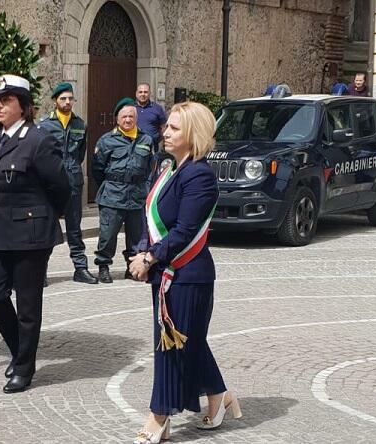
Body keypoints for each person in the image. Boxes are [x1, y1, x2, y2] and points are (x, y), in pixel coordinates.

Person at [129, 102, 241, 444]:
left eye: (174, 128)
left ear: (193, 134)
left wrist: (149, 258)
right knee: (186, 342)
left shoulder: (200, 175)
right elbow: (151, 217)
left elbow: (184, 231)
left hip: (188, 274)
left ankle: (158, 417)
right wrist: (139, 249)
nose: (165, 132)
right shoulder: (169, 169)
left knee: (171, 345)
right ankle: (219, 395)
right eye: (167, 127)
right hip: (167, 271)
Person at [0, 74, 70, 393]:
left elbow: (61, 186)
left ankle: (24, 367)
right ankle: (21, 350)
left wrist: (45, 216)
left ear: (25, 107)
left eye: (6, 100)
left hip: (30, 233)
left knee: (28, 305)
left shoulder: (39, 140)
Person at [38, 82, 96, 284]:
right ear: (55, 101)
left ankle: (80, 268)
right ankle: (40, 271)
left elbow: (80, 154)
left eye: (70, 98)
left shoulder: (81, 124)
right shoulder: (44, 125)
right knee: (47, 229)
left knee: (74, 228)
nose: (67, 102)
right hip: (51, 185)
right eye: (63, 98)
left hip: (72, 183)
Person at [92, 98, 154, 284]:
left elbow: (150, 167)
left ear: (136, 118)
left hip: (136, 195)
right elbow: (97, 169)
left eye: (131, 116)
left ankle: (132, 266)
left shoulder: (147, 140)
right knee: (108, 234)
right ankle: (103, 266)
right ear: (117, 120)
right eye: (124, 117)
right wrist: (112, 184)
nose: (128, 120)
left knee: (136, 236)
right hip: (112, 194)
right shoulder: (106, 141)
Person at [134, 83, 167, 151]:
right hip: (134, 146)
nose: (143, 94)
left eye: (145, 92)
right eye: (140, 92)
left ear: (149, 93)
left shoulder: (157, 108)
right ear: (136, 94)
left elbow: (163, 127)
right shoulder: (131, 108)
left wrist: (157, 139)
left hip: (152, 148)